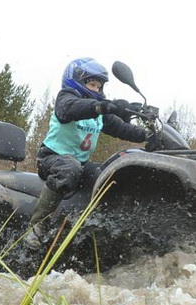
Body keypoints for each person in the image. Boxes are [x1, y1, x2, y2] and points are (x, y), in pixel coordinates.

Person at [24, 57, 149, 250]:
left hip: (81, 164)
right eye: (92, 84)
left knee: (109, 178)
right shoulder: (66, 98)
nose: (97, 90)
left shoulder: (98, 113)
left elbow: (121, 128)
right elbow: (70, 109)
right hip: (51, 159)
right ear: (77, 82)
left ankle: (100, 230)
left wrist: (147, 136)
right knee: (69, 168)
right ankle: (36, 226)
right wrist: (103, 106)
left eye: (99, 87)